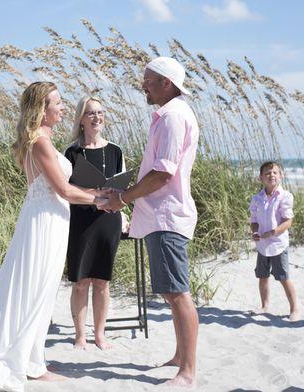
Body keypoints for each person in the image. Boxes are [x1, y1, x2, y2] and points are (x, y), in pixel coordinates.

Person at [0, 82, 108, 392]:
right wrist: (101, 200)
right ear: (42, 109)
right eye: (57, 103)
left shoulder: (44, 139)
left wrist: (97, 191)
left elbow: (61, 187)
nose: (62, 108)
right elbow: (62, 190)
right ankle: (24, 362)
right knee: (35, 289)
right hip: (44, 222)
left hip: (51, 217)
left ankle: (33, 359)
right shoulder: (39, 142)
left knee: (44, 290)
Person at [102, 57, 199, 387]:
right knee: (172, 293)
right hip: (160, 214)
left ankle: (187, 371)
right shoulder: (168, 115)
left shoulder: (173, 117)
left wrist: (123, 198)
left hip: (167, 214)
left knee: (178, 293)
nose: (142, 84)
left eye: (148, 80)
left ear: (166, 83)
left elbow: (162, 174)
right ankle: (178, 356)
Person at [64, 96, 127, 350]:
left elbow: (123, 187)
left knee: (102, 281)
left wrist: (124, 214)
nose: (96, 117)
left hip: (107, 220)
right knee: (81, 281)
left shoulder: (115, 150)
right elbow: (65, 186)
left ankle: (100, 335)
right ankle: (80, 335)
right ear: (81, 119)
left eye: (100, 112)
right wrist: (91, 191)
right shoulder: (72, 151)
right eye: (91, 113)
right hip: (80, 220)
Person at [249, 161, 299, 321]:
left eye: (275, 172)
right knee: (262, 276)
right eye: (267, 173)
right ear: (261, 178)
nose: (271, 175)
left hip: (278, 243)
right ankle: (264, 305)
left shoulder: (285, 196)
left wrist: (273, 232)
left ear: (281, 176)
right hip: (262, 245)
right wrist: (255, 232)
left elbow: (287, 221)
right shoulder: (257, 198)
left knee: (283, 277)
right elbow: (254, 220)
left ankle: (295, 308)